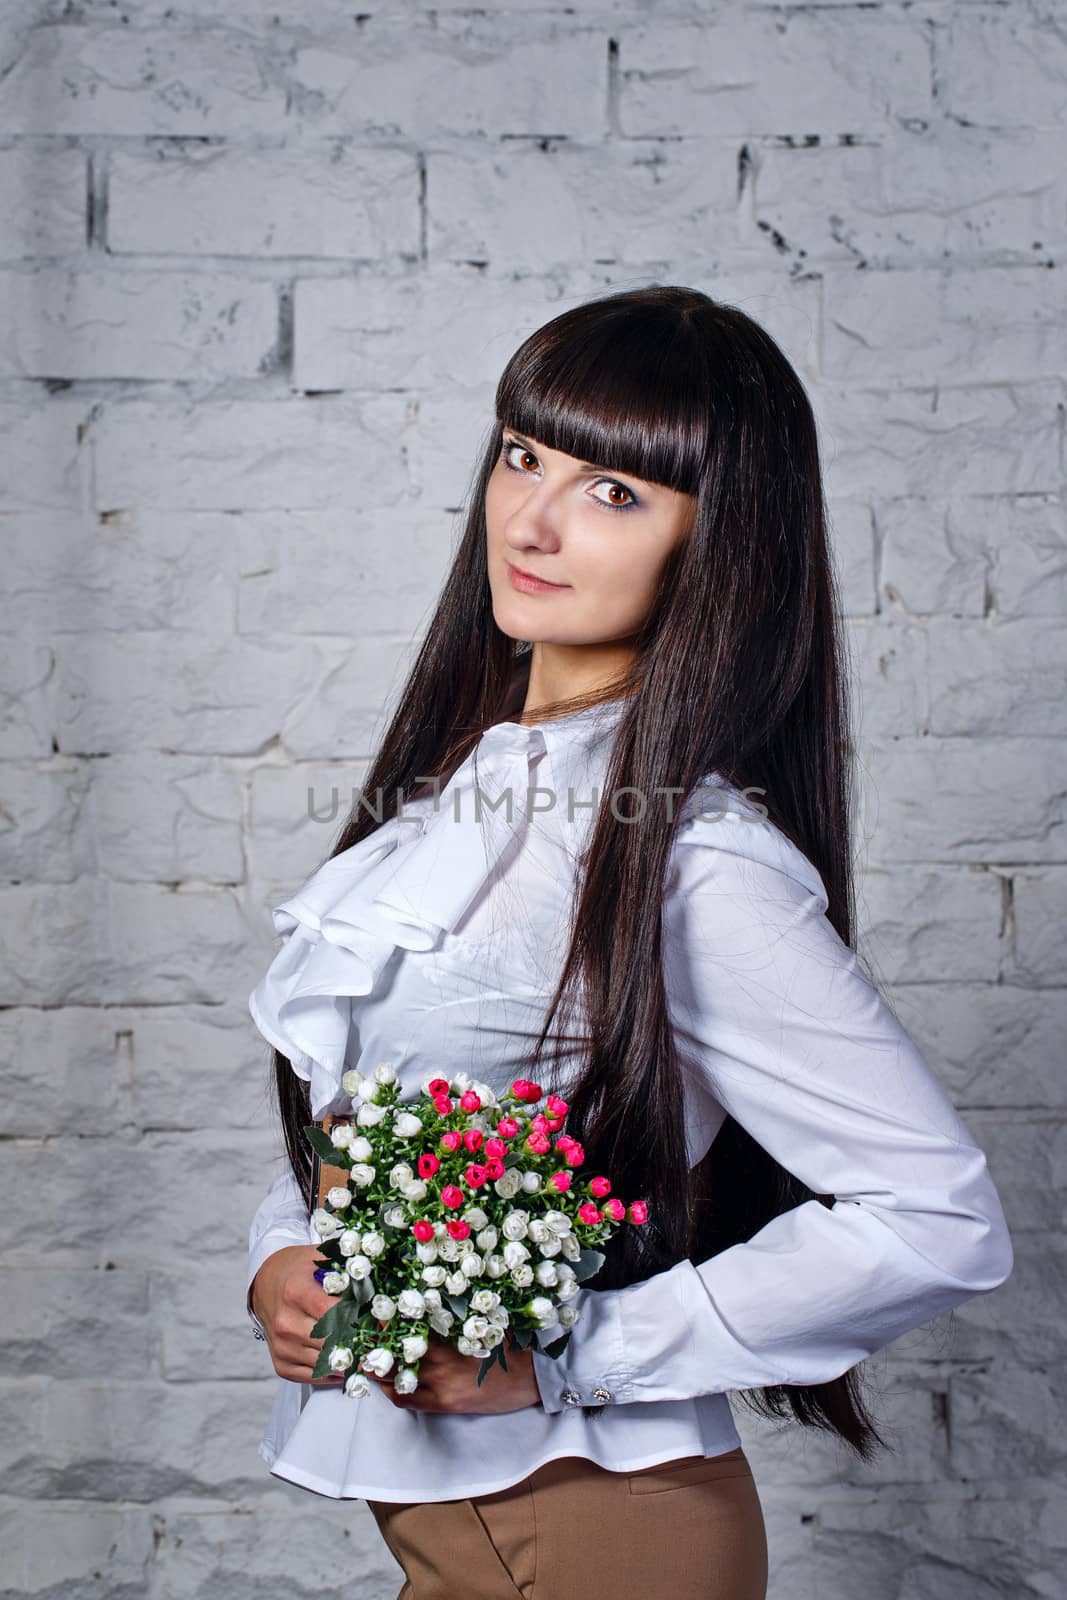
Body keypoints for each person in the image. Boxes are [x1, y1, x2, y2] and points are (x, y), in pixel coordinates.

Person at [244, 284, 1014, 1600]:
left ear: (717, 545)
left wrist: (570, 1352)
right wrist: (285, 1252)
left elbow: (939, 1218)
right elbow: (381, 1098)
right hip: (466, 1534)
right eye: (524, 455)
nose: (533, 519)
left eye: (616, 491)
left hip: (603, 1529)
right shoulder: (465, 798)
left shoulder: (693, 865)